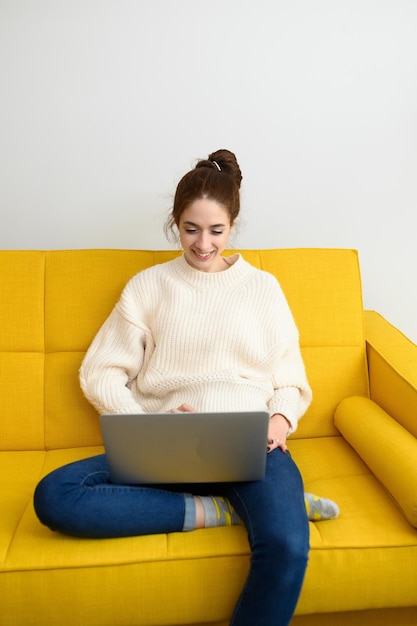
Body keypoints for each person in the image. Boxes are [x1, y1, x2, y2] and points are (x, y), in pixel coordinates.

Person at [34, 149, 338, 626]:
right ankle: (216, 511)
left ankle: (245, 506)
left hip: (251, 441)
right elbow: (100, 372)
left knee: (286, 546)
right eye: (190, 229)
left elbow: (290, 381)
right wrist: (148, 427)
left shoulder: (263, 289)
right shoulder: (147, 287)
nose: (202, 244)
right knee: (56, 494)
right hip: (168, 444)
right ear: (175, 223)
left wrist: (279, 422)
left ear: (232, 226)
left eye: (215, 230)